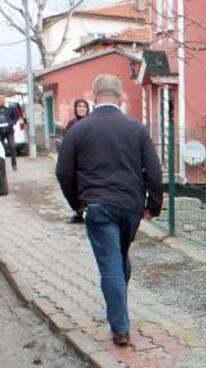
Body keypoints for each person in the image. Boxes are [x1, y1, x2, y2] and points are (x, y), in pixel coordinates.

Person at [55, 74, 163, 347]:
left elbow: (63, 172)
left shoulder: (78, 130)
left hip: (98, 206)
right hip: (130, 207)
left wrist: (76, 203)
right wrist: (153, 206)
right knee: (118, 258)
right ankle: (120, 312)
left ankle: (120, 326)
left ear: (93, 95)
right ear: (121, 97)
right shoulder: (136, 129)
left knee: (112, 264)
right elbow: (154, 171)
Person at [63, 98, 91, 224]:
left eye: (84, 106)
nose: (81, 109)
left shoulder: (92, 123)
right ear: (75, 109)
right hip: (74, 161)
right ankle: (78, 212)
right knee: (75, 187)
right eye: (79, 106)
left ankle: (89, 211)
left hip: (88, 160)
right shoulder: (71, 124)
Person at [0, 95, 18, 172]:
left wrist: (10, 124)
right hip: (0, 132)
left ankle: (14, 165)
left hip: (9, 131)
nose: (1, 101)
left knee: (12, 146)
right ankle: (1, 166)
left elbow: (16, 118)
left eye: (2, 99)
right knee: (1, 150)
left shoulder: (11, 108)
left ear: (4, 100)